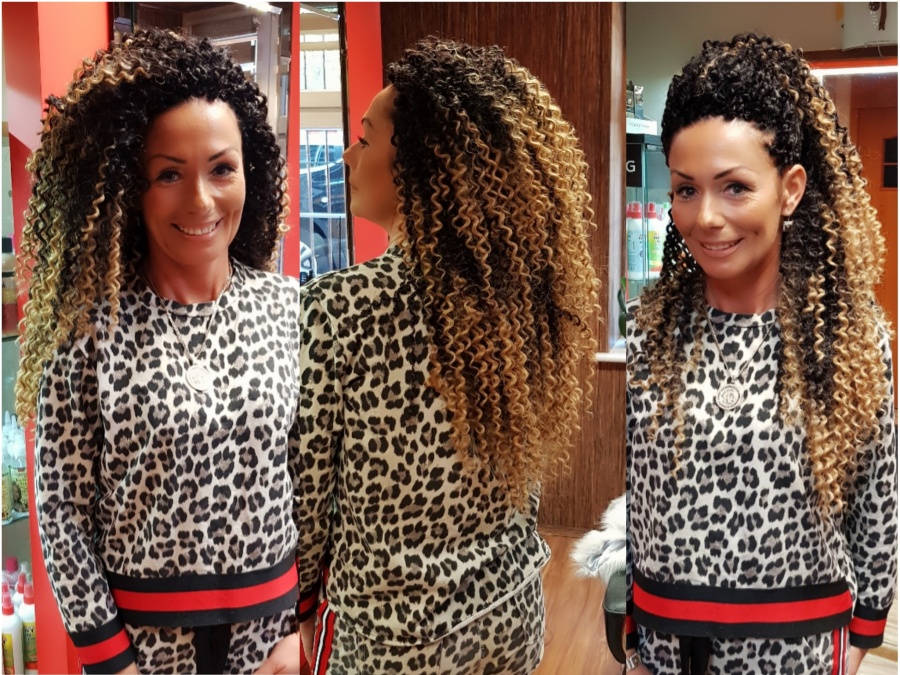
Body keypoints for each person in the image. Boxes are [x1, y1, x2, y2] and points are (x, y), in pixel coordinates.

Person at [256, 37, 600, 675]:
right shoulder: (520, 302)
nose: (349, 156)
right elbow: (523, 480)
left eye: (365, 139)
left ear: (422, 165)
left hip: (392, 635)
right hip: (511, 610)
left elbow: (304, 495)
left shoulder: (338, 307)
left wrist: (300, 606)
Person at [16, 29, 309, 674]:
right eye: (169, 173)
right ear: (129, 186)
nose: (200, 200)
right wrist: (110, 660)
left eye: (221, 169)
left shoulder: (290, 309)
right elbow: (62, 511)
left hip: (273, 642)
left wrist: (303, 629)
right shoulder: (88, 329)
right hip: (141, 650)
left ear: (251, 173)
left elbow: (315, 482)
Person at [625, 34, 896, 675]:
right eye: (686, 189)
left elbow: (877, 497)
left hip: (802, 645)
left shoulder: (848, 335)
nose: (705, 217)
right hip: (670, 643)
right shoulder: (651, 329)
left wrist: (864, 632)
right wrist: (636, 626)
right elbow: (641, 493)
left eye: (735, 187)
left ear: (791, 188)